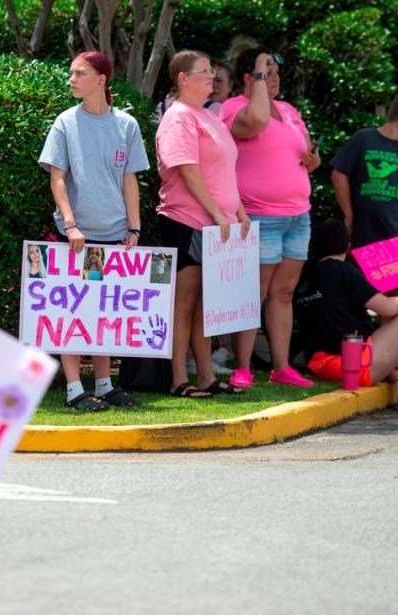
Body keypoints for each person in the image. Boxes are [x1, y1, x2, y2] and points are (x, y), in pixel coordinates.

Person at [38, 51, 149, 411]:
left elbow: (129, 179)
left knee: (104, 313)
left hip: (114, 234)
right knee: (70, 312)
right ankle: (74, 390)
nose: (71, 79)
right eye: (70, 73)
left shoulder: (127, 125)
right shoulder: (65, 122)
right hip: (75, 238)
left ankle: (105, 384)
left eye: (78, 73)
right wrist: (70, 225)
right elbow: (58, 178)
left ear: (101, 79)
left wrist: (134, 226)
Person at [220, 47, 318, 388]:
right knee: (253, 293)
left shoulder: (289, 110)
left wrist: (313, 159)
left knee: (284, 293)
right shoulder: (234, 109)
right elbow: (256, 122)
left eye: (275, 73)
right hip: (259, 216)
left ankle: (281, 367)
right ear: (249, 78)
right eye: (266, 72)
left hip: (297, 216)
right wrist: (259, 74)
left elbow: (308, 153)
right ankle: (243, 367)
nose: (274, 79)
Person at [156, 49, 251, 399]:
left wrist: (237, 210)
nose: (212, 76)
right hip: (186, 220)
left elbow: (223, 172)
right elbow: (188, 170)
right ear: (183, 78)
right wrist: (214, 212)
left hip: (216, 225)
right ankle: (179, 377)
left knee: (206, 304)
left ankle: (207, 375)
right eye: (204, 71)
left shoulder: (209, 116)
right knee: (185, 301)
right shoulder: (179, 117)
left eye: (212, 71)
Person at [295, 219, 398, 412]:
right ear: (348, 245)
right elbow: (389, 309)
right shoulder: (342, 271)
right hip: (353, 365)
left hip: (320, 364)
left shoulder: (305, 275)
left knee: (396, 307)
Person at [330, 92, 398, 252]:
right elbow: (339, 174)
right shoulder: (363, 139)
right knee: (368, 277)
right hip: (368, 234)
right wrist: (349, 215)